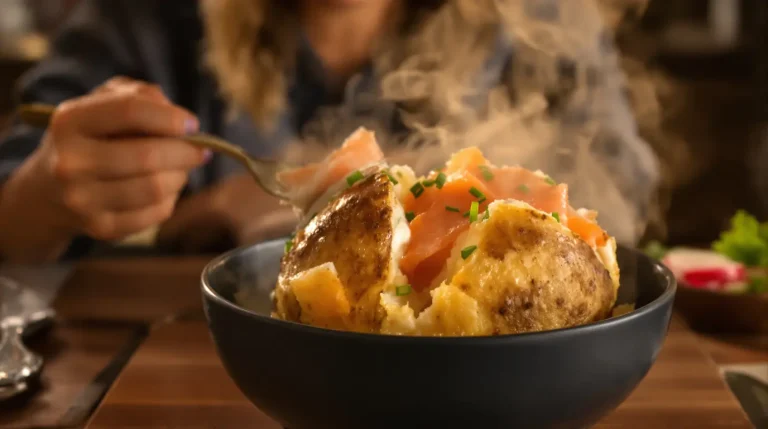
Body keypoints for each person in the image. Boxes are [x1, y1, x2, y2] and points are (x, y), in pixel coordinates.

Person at [0, 0, 659, 263]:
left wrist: (421, 194)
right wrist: (43, 192)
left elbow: (621, 195)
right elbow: (15, 196)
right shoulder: (145, 17)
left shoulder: (539, 21)